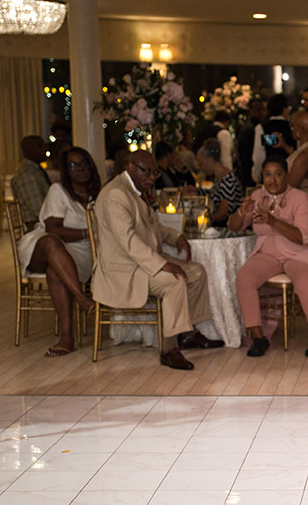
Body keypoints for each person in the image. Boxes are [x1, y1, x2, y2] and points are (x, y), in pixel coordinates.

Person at [91, 150, 224, 371]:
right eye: (148, 172)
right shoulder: (116, 194)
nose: (153, 177)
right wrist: (163, 265)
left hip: (141, 263)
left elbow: (153, 227)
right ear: (131, 168)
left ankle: (187, 333)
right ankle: (169, 350)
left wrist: (177, 237)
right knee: (174, 280)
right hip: (124, 270)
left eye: (156, 172)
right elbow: (129, 240)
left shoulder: (135, 190)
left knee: (197, 271)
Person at [231, 158, 308, 358]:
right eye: (267, 174)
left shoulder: (300, 198)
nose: (272, 180)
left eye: (277, 174)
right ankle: (258, 337)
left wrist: (273, 220)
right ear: (262, 177)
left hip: (298, 253)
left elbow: (303, 237)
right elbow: (234, 226)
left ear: (286, 175)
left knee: (305, 281)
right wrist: (242, 212)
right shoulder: (257, 196)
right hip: (268, 252)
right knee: (244, 278)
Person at [15, 147, 99, 356]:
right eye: (73, 165)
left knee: (56, 273)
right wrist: (86, 233)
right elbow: (53, 229)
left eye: (83, 163)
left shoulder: (100, 194)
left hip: (81, 251)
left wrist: (86, 236)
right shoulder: (58, 191)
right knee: (51, 242)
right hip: (43, 246)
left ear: (91, 166)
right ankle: (81, 298)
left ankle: (67, 338)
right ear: (66, 170)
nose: (79, 168)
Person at [196, 138, 244, 228]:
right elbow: (214, 196)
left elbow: (223, 213)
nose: (200, 168)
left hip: (226, 229)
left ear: (210, 160)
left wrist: (204, 221)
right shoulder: (220, 177)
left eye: (201, 164)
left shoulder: (228, 181)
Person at [252, 94, 296, 184]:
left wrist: (257, 176)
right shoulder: (292, 127)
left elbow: (259, 155)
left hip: (269, 177)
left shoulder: (262, 128)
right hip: (290, 175)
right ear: (284, 109)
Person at [11, 135, 51, 225]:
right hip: (36, 225)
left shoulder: (36, 170)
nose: (45, 150)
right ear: (29, 151)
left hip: (43, 221)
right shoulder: (27, 173)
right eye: (40, 147)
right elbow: (38, 210)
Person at [285, 111, 308, 208]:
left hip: (301, 207)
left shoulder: (304, 156)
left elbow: (290, 187)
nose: (292, 130)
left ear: (300, 129)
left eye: (293, 126)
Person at [237, 96, 266, 188]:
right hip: (249, 175)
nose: (261, 113)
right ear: (250, 110)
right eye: (258, 109)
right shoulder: (249, 129)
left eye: (263, 109)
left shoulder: (260, 126)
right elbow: (247, 156)